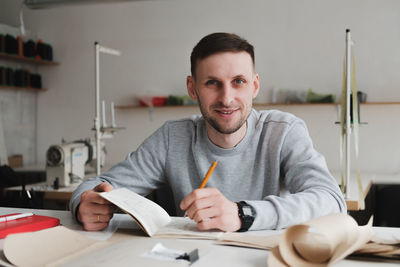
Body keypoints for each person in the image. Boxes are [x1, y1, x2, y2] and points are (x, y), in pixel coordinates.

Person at [70, 32, 346, 232]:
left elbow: (332, 201)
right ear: (192, 88)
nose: (226, 98)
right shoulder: (172, 138)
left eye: (238, 82)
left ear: (255, 86)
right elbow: (97, 185)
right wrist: (83, 204)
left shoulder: (283, 132)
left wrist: (242, 214)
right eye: (212, 83)